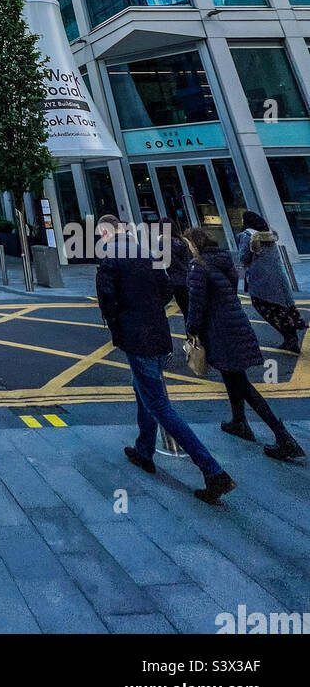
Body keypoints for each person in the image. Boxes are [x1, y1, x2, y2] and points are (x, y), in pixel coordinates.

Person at [95, 215, 235, 504]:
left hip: (137, 339)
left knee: (159, 404)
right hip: (159, 335)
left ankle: (213, 471)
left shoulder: (111, 258)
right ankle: (144, 450)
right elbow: (167, 288)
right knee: (142, 389)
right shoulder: (146, 254)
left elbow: (107, 299)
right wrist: (147, 309)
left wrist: (122, 320)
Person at [185, 227, 304, 462]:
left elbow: (197, 304)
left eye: (188, 243)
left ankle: (283, 436)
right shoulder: (223, 262)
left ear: (194, 244)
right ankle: (239, 421)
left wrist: (191, 330)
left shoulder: (199, 267)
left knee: (241, 383)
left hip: (220, 329)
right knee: (232, 377)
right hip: (236, 324)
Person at [237, 210, 306, 354]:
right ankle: (290, 336)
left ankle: (289, 336)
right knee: (280, 306)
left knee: (263, 306)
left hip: (260, 277)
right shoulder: (269, 234)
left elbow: (244, 257)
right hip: (277, 275)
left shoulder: (247, 235)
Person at [160, 216, 192, 320]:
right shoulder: (183, 241)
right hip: (190, 278)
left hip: (177, 281)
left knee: (185, 311)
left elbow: (157, 261)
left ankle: (191, 334)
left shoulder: (163, 244)